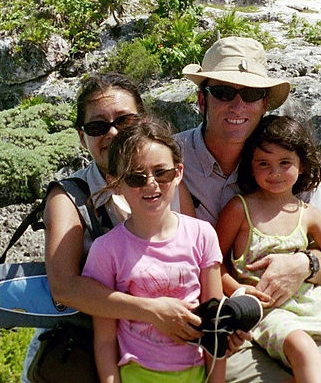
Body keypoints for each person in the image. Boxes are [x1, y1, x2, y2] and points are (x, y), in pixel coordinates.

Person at [175, 36, 321, 381]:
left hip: (297, 314)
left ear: (265, 103)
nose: (237, 105)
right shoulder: (170, 162)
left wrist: (303, 263)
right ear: (201, 100)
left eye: (250, 94)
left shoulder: (285, 163)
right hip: (211, 321)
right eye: (223, 92)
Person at [21, 73, 201, 383]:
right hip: (85, 347)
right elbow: (65, 286)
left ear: (142, 122)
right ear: (82, 137)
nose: (113, 132)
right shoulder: (69, 197)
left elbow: (194, 258)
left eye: (124, 121)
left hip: (166, 350)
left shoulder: (168, 182)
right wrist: (152, 311)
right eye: (97, 126)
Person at [217, 115, 321, 383]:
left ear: (302, 165)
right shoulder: (239, 209)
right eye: (264, 164)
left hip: (312, 303)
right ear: (250, 166)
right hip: (269, 311)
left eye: (285, 163)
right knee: (304, 350)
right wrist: (236, 290)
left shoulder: (310, 215)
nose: (275, 173)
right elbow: (214, 262)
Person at [83, 118, 226, 383]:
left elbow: (215, 324)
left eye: (162, 173)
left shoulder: (203, 235)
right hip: (136, 375)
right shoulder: (106, 250)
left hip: (195, 372)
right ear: (116, 183)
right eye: (136, 177)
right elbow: (104, 339)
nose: (151, 184)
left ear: (178, 172)